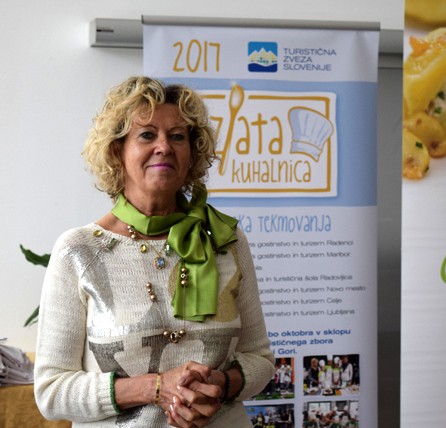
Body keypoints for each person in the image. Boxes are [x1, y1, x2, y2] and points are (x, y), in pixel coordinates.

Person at [34, 76, 275, 427]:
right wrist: (156, 388)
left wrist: (221, 385)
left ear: (192, 153)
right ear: (117, 150)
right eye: (147, 135)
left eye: (177, 136)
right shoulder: (79, 251)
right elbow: (51, 392)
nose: (164, 146)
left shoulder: (225, 239)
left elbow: (261, 360)